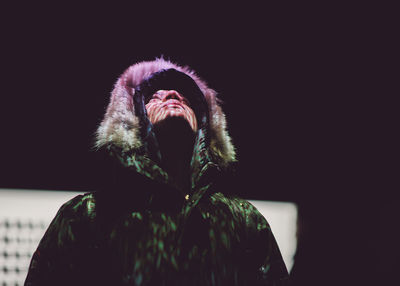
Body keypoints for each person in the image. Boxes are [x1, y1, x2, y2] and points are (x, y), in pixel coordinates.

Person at [25, 58, 290, 285]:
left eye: (184, 97)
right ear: (132, 123)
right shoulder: (87, 215)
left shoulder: (243, 220)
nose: (172, 95)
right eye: (155, 96)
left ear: (204, 124)